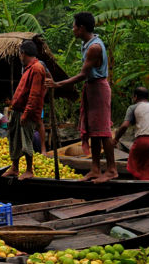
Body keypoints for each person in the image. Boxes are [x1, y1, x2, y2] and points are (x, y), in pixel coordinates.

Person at [48, 12, 115, 182]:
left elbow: (83, 74)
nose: (73, 29)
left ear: (82, 28)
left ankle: (112, 170)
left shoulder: (94, 48)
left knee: (103, 131)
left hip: (99, 89)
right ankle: (95, 169)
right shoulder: (86, 44)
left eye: (74, 26)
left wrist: (58, 84)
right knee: (94, 131)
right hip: (91, 88)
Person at [5, 40, 47, 180]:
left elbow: (34, 95)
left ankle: (29, 170)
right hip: (18, 110)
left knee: (26, 141)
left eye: (20, 54)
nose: (20, 57)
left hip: (26, 112)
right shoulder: (28, 68)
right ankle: (15, 168)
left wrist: (26, 114)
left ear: (23, 53)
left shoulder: (37, 68)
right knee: (14, 139)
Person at [113, 87, 149, 180]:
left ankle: (138, 182)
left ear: (135, 97)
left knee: (135, 164)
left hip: (143, 140)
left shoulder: (133, 107)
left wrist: (115, 139)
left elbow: (124, 126)